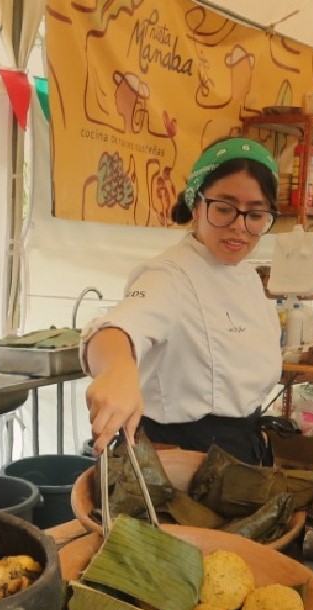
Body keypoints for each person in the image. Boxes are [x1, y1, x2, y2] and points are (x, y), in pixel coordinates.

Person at [81, 137, 282, 465]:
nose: (239, 227)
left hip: (242, 453)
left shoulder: (246, 277)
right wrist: (118, 368)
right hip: (179, 462)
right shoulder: (170, 276)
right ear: (196, 203)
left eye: (255, 215)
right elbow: (115, 330)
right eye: (224, 209)